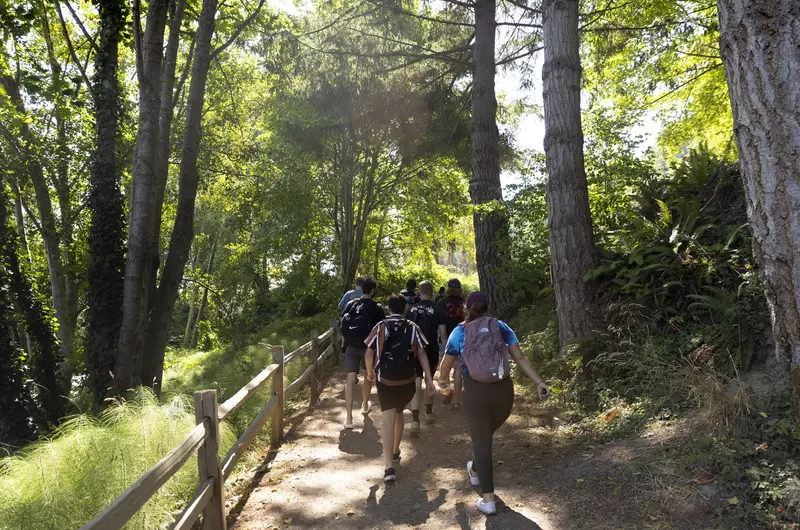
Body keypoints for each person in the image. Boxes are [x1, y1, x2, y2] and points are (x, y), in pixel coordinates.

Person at [438, 292, 550, 515]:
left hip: (474, 390)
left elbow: (447, 363)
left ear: (466, 309)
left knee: (481, 442)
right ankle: (478, 471)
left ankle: (487, 499)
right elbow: (519, 357)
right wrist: (539, 382)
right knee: (484, 439)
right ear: (488, 307)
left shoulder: (459, 331)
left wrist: (443, 383)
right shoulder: (501, 327)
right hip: (503, 391)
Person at [365, 294, 435, 483]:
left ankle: (389, 466)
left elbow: (369, 352)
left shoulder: (380, 327)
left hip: (385, 380)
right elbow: (421, 353)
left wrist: (370, 372)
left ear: (389, 308)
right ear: (405, 308)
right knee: (399, 414)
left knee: (387, 420)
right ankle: (396, 450)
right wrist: (429, 379)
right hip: (407, 380)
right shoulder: (413, 327)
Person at [340, 277, 385, 429]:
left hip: (351, 346)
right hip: (368, 348)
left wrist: (343, 343)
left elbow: (343, 323)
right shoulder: (377, 307)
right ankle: (365, 405)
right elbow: (380, 331)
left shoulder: (351, 304)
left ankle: (349, 418)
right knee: (368, 375)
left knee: (350, 379)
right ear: (372, 291)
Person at [406, 280, 447, 431]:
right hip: (431, 349)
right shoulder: (438, 310)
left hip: (414, 349)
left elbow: (406, 331)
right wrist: (447, 351)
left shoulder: (411, 310)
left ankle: (415, 421)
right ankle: (428, 413)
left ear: (419, 292)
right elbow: (442, 334)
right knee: (429, 378)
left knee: (416, 382)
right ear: (432, 292)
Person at [437, 278, 465, 408]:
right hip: (461, 337)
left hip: (446, 337)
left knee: (445, 367)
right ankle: (457, 401)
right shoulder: (463, 302)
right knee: (458, 368)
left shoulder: (441, 302)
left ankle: (447, 392)